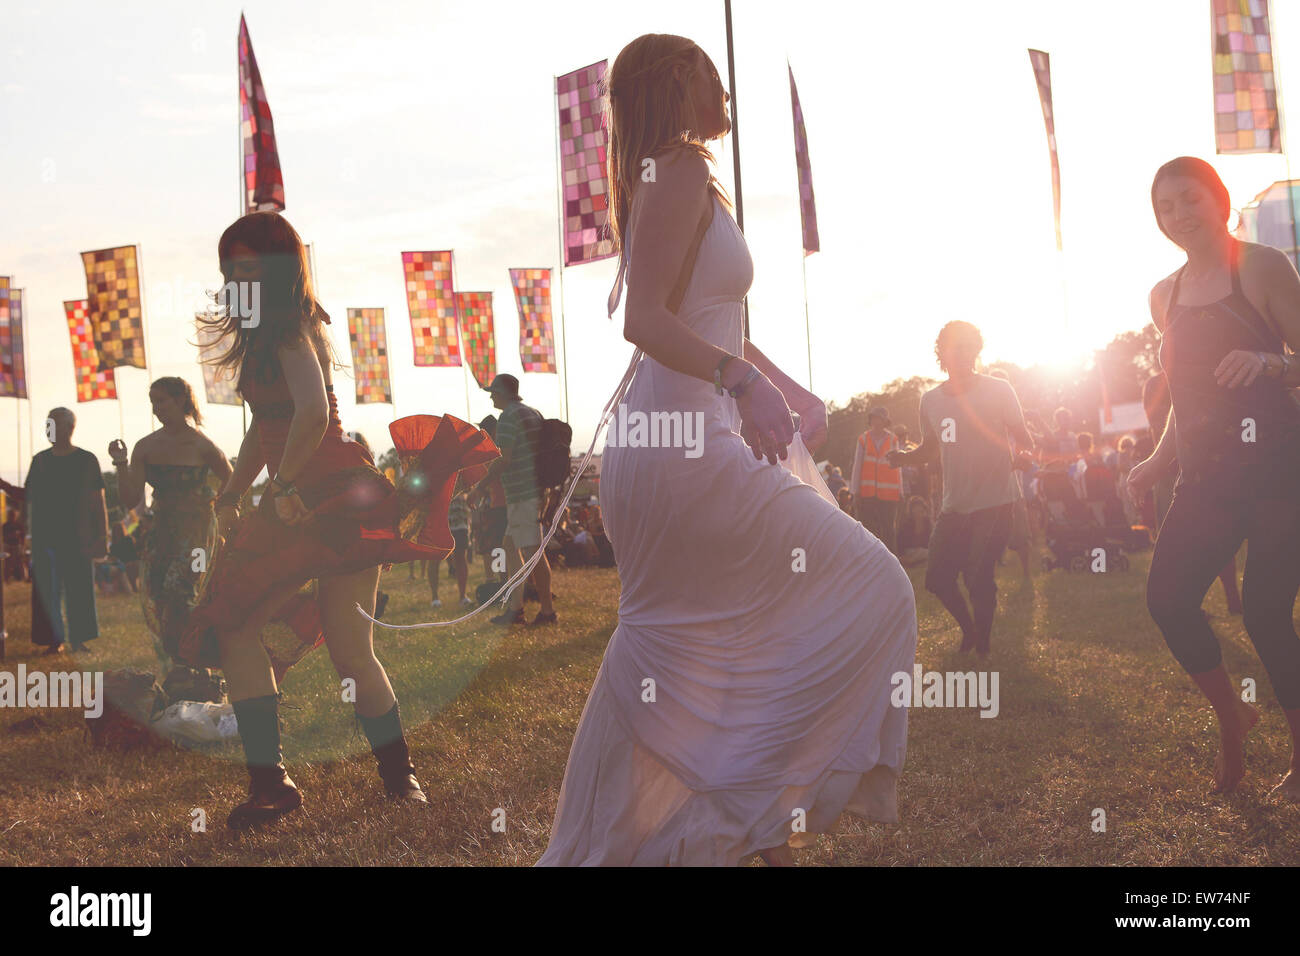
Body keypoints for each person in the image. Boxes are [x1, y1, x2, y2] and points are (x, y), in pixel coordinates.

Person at [538, 34, 915, 866]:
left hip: (673, 443)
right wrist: (741, 382)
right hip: (683, 448)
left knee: (713, 650)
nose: (727, 90)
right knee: (874, 583)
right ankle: (727, 827)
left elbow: (710, 321)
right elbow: (644, 321)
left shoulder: (676, 176)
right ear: (680, 81)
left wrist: (782, 386)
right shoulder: (674, 169)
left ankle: (750, 837)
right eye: (713, 74)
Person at [184, 211, 490, 827]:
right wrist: (233, 493)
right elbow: (266, 430)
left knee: (347, 651)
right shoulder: (266, 335)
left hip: (334, 497)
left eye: (247, 266)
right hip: (300, 495)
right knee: (238, 627)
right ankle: (273, 784)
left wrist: (282, 486)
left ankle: (397, 778)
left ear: (277, 269)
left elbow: (312, 417)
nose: (235, 278)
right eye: (229, 267)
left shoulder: (290, 328)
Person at [1128, 156, 1300, 799]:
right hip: (1205, 480)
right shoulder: (1162, 296)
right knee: (1168, 601)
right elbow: (1186, 396)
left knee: (1266, 614)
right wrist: (1158, 461)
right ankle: (1233, 714)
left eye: (1189, 199)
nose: (1178, 215)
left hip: (1279, 471)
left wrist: (1269, 362)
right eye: (1164, 207)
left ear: (1219, 199)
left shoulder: (1260, 266)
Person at [889, 321, 1035, 657]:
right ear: (941, 352)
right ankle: (969, 632)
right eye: (955, 346)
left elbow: (1023, 437)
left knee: (978, 575)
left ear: (977, 350)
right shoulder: (930, 401)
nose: (962, 352)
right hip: (954, 505)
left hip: (996, 501)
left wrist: (1025, 456)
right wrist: (904, 458)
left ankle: (983, 647)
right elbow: (930, 449)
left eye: (969, 345)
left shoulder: (999, 390)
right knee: (937, 578)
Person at [110, 377, 231, 668]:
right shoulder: (146, 447)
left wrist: (220, 509)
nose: (156, 408)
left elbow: (232, 479)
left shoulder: (202, 445)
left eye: (161, 401)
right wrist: (121, 463)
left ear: (180, 401)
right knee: (159, 595)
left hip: (197, 533)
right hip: (162, 532)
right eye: (152, 402)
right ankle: (178, 664)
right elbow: (131, 498)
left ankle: (193, 662)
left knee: (181, 591)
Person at [469, 374, 556, 626]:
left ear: (504, 393)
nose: (491, 397)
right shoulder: (532, 413)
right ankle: (516, 609)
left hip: (522, 495)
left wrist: (480, 487)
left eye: (493, 392)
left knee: (532, 552)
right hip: (532, 492)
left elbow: (504, 459)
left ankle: (547, 611)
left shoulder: (508, 416)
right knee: (510, 546)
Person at [25, 407, 108, 655]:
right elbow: (28, 496)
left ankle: (79, 639)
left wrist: (102, 537)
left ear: (70, 428)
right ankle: (53, 640)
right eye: (47, 424)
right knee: (46, 591)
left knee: (79, 590)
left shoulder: (87, 460)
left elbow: (98, 501)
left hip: (79, 537)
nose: (48, 429)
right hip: (46, 537)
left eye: (54, 424)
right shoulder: (40, 461)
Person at [851, 406, 903, 554]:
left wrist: (900, 491)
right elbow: (857, 465)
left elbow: (897, 466)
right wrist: (855, 492)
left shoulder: (893, 439)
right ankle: (869, 560)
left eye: (879, 418)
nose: (876, 421)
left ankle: (891, 560)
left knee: (888, 530)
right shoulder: (863, 439)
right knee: (868, 530)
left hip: (889, 494)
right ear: (870, 420)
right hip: (867, 493)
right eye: (874, 418)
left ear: (885, 421)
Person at [430, 476, 474, 608]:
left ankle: (463, 596)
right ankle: (435, 598)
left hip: (459, 515)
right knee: (434, 557)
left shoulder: (461, 467)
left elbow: (470, 486)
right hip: (439, 516)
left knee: (461, 557)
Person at [896, 496, 932, 568]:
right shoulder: (906, 525)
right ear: (911, 510)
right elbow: (901, 543)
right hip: (909, 551)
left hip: (922, 551)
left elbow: (930, 541)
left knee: (927, 552)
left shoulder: (927, 523)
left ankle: (911, 562)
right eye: (916, 507)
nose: (919, 509)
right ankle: (910, 561)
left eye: (920, 506)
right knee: (924, 553)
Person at [3, 507, 27, 581]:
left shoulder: (19, 525)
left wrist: (23, 546)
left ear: (16, 516)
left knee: (19, 561)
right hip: (7, 545)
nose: (12, 517)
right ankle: (7, 577)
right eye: (11, 515)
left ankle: (21, 577)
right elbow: (3, 536)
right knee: (7, 562)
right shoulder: (5, 525)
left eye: (14, 515)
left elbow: (23, 536)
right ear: (8, 516)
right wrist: (12, 535)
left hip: (17, 545)